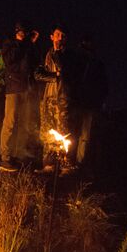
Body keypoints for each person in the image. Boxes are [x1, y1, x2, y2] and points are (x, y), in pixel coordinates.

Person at [35, 24, 77, 173]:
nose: (60, 38)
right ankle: (49, 164)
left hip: (62, 99)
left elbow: (65, 71)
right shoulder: (47, 54)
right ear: (52, 37)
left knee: (63, 131)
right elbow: (38, 74)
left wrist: (57, 54)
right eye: (57, 35)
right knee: (48, 131)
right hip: (48, 98)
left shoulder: (68, 55)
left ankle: (65, 163)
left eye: (63, 36)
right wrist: (54, 76)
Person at [0, 22, 39, 172]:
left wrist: (32, 44)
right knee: (10, 122)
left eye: (25, 31)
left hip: (26, 88)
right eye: (21, 31)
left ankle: (17, 155)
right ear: (16, 31)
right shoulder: (9, 44)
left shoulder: (28, 45)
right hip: (13, 88)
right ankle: (5, 158)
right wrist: (21, 43)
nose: (23, 33)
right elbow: (9, 60)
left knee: (24, 123)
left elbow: (35, 63)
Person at [71, 35, 108, 166]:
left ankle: (79, 163)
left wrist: (99, 101)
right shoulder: (77, 63)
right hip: (78, 103)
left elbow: (103, 86)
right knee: (77, 135)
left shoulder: (96, 65)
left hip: (88, 104)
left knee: (84, 136)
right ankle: (72, 162)